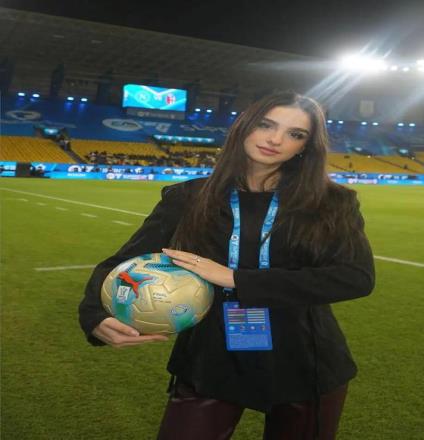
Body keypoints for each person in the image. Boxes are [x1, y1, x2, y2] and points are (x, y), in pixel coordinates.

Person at [79, 91, 375, 440]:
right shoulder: (188, 197)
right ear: (244, 126)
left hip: (305, 358)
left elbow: (356, 277)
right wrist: (95, 315)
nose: (275, 139)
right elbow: (123, 263)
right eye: (266, 125)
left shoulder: (332, 203)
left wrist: (236, 278)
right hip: (210, 356)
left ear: (305, 147)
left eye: (295, 134)